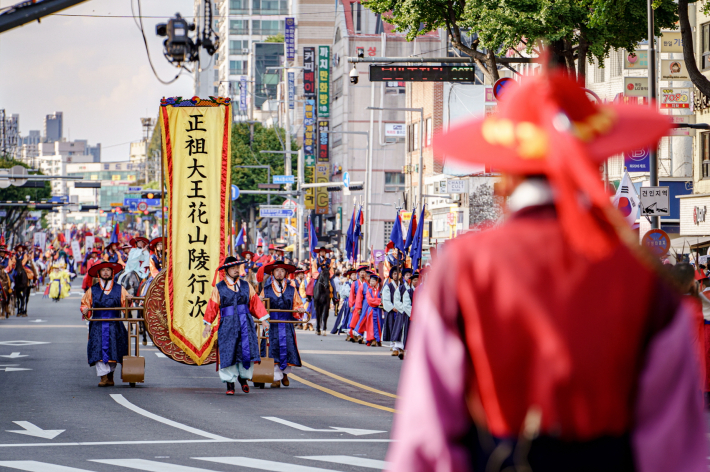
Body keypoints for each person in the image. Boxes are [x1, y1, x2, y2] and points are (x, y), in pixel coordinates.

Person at [387, 70, 706, 471]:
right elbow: (673, 448)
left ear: (505, 178)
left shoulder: (461, 268)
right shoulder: (642, 276)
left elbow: (427, 438)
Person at [202, 256, 270, 395]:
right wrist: (208, 324)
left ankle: (243, 379)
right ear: (226, 270)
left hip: (245, 322)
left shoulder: (246, 286)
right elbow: (212, 307)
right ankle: (230, 384)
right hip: (227, 324)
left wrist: (263, 319)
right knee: (229, 352)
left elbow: (255, 303)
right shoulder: (219, 288)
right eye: (232, 268)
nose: (235, 270)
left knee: (246, 350)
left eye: (237, 268)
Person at [80, 261, 131, 387]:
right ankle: (103, 377)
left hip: (115, 324)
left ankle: (110, 377)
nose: (106, 272)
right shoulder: (93, 290)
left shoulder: (120, 289)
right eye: (103, 270)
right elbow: (84, 304)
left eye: (108, 270)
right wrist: (85, 309)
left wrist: (129, 300)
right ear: (99, 273)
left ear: (112, 272)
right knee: (98, 348)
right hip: (98, 324)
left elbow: (126, 306)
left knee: (116, 349)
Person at [260, 262, 306, 388]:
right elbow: (260, 306)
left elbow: (298, 304)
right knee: (272, 349)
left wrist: (300, 309)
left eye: (282, 271)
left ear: (286, 273)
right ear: (272, 273)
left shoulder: (292, 289)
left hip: (286, 323)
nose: (279, 273)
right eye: (277, 271)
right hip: (272, 324)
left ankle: (284, 374)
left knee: (287, 348)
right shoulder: (266, 289)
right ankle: (276, 378)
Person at [391, 267, 412, 358]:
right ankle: (399, 349)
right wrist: (403, 308)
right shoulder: (401, 288)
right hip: (402, 312)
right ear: (403, 277)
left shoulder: (414, 288)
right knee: (400, 330)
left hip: (411, 312)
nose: (408, 277)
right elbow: (396, 300)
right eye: (407, 275)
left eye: (410, 275)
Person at [347, 265, 370, 343]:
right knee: (355, 318)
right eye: (361, 272)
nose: (363, 273)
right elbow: (351, 295)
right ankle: (352, 334)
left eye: (364, 272)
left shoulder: (367, 283)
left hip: (365, 302)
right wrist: (351, 305)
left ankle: (361, 335)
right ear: (358, 273)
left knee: (364, 319)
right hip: (356, 302)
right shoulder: (355, 283)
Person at [381, 267, 400, 351]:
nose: (396, 275)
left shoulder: (402, 286)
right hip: (392, 311)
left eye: (398, 273)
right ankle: (393, 345)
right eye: (395, 274)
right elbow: (385, 300)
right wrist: (393, 307)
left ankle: (399, 345)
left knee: (399, 328)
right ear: (392, 275)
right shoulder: (388, 287)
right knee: (392, 327)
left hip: (400, 310)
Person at [361, 273, 383, 347]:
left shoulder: (380, 290)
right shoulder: (369, 290)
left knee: (379, 324)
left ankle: (378, 339)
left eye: (373, 281)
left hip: (378, 310)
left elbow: (383, 300)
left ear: (376, 282)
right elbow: (369, 300)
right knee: (371, 325)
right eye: (371, 281)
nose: (371, 282)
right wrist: (379, 301)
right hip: (371, 310)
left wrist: (378, 301)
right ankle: (372, 339)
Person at [331, 269, 355, 335]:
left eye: (355, 274)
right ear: (349, 276)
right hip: (348, 302)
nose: (354, 276)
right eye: (353, 275)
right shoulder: (347, 283)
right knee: (345, 316)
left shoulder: (357, 283)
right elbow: (344, 293)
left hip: (355, 302)